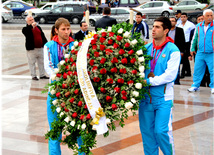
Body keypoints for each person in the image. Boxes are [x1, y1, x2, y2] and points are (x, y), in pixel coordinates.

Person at [43, 18, 85, 155]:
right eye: (63, 29)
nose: (67, 32)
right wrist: (62, 77)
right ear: (56, 30)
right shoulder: (48, 46)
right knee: (55, 131)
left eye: (68, 29)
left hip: (74, 93)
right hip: (55, 93)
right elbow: (48, 68)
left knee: (80, 129)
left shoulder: (77, 46)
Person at [139, 17, 180, 155]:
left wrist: (149, 81)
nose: (153, 30)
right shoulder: (145, 49)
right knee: (148, 135)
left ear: (166, 31)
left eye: (157, 27)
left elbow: (170, 75)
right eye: (153, 27)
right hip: (145, 99)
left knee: (161, 131)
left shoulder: (173, 50)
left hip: (163, 99)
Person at [187, 9, 214, 94]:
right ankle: (195, 85)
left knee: (213, 70)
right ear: (203, 17)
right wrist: (192, 48)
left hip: (212, 53)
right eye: (208, 16)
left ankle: (213, 86)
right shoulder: (198, 26)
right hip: (200, 52)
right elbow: (194, 38)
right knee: (197, 70)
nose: (210, 18)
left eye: (211, 16)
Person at [22, 15, 49, 81]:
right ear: (27, 22)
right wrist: (31, 26)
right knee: (32, 63)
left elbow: (42, 36)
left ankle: (42, 75)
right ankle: (33, 75)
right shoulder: (25, 29)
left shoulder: (38, 27)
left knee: (41, 62)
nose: (32, 21)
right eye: (30, 20)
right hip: (32, 49)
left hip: (40, 48)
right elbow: (27, 34)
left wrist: (46, 44)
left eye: (32, 20)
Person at [189, 14, 210, 87]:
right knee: (199, 69)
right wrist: (192, 50)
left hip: (209, 53)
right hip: (198, 53)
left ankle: (210, 84)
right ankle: (201, 84)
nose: (201, 21)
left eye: (202, 19)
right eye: (199, 19)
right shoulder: (194, 30)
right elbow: (192, 41)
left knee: (209, 70)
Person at [177, 12, 195, 78]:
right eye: (181, 17)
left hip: (188, 43)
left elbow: (193, 35)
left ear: (187, 17)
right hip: (181, 43)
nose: (183, 18)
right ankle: (188, 72)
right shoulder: (178, 25)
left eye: (184, 17)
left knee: (186, 57)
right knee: (184, 58)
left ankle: (183, 72)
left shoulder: (191, 25)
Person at [168, 17, 185, 85]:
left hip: (176, 51)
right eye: (170, 21)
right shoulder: (166, 30)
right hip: (168, 50)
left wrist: (182, 51)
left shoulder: (180, 30)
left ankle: (177, 81)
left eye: (173, 21)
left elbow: (182, 41)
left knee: (176, 67)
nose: (172, 22)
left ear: (175, 22)